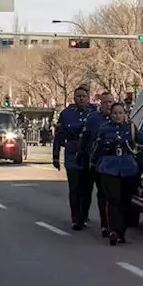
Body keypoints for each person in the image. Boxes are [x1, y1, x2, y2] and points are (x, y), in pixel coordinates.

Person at [90, 102, 139, 245]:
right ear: (111, 115)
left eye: (120, 113)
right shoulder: (105, 129)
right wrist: (93, 163)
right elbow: (97, 148)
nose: (118, 116)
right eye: (115, 113)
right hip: (108, 167)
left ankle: (121, 231)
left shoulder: (131, 128)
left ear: (125, 114)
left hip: (128, 168)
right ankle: (113, 230)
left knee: (125, 201)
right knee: (113, 199)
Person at [51, 86, 95, 230]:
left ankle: (84, 214)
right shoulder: (66, 114)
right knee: (75, 188)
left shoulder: (94, 112)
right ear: (74, 98)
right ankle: (76, 218)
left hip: (88, 154)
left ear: (88, 98)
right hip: (73, 154)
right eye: (78, 96)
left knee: (87, 188)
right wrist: (55, 156)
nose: (81, 98)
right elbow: (58, 136)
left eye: (83, 96)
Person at [79, 91, 116, 237]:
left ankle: (105, 225)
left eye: (110, 102)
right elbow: (85, 140)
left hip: (108, 164)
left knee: (104, 194)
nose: (108, 105)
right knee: (85, 191)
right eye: (105, 102)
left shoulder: (118, 118)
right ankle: (81, 217)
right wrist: (82, 156)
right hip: (93, 161)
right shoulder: (93, 119)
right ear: (100, 104)